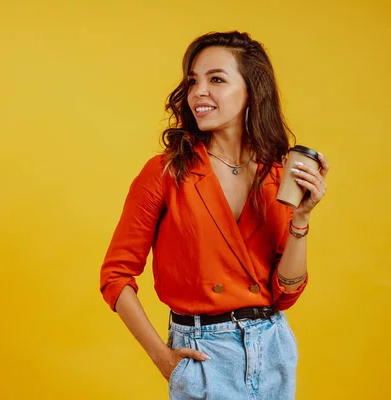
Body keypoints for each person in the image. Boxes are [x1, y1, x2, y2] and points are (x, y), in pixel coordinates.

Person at [99, 31, 329, 400]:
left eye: (216, 79)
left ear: (252, 91)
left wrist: (301, 218)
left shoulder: (277, 174)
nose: (198, 92)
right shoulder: (167, 172)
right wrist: (163, 359)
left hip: (272, 348)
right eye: (193, 81)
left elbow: (285, 293)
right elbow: (115, 275)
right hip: (204, 354)